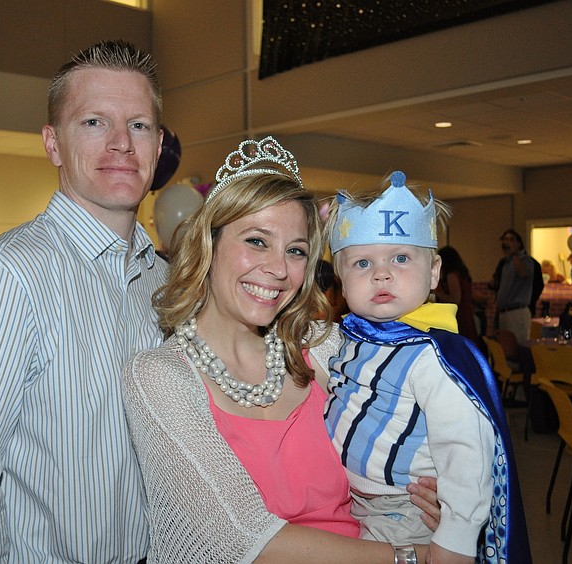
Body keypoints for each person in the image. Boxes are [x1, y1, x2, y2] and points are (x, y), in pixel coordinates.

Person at [122, 138, 441, 563]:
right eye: (256, 240)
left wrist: (434, 494)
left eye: (295, 250)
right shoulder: (158, 376)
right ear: (209, 244)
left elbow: (411, 429)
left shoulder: (325, 345)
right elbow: (243, 540)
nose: (278, 268)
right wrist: (416, 557)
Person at [0, 40, 167, 562]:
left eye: (138, 125)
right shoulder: (2, 282)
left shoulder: (162, 282)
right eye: (94, 122)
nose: (122, 143)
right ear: (52, 144)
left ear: (159, 146)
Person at [325, 172, 530, 562]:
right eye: (362, 262)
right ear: (341, 279)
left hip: (404, 511)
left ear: (434, 272)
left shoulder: (432, 356)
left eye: (401, 258)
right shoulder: (355, 337)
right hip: (351, 499)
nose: (381, 273)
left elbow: (466, 451)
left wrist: (455, 538)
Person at [435, 246, 485, 352]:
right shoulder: (462, 274)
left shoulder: (452, 275)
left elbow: (455, 299)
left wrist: (437, 294)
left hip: (459, 316)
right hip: (467, 314)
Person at [489, 228, 535, 341]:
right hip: (503, 312)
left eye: (511, 239)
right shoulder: (505, 264)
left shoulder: (525, 260)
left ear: (518, 243)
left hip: (517, 312)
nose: (507, 242)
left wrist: (515, 254)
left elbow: (523, 273)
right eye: (505, 239)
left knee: (518, 346)